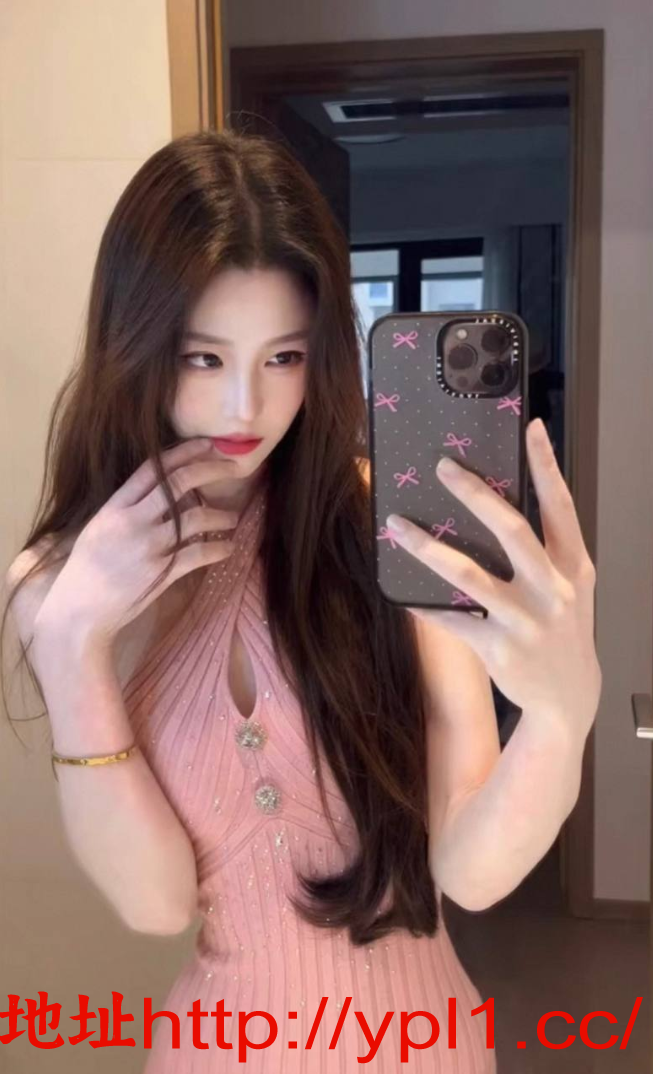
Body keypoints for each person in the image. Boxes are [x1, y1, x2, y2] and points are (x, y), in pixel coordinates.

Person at [2, 129, 602, 1072]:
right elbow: (156, 904)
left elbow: (472, 874)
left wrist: (561, 718)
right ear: (134, 345)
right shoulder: (59, 584)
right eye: (203, 359)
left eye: (282, 357)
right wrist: (74, 644)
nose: (246, 406)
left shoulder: (390, 527)